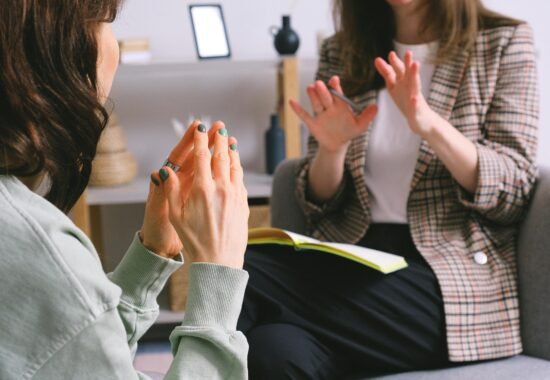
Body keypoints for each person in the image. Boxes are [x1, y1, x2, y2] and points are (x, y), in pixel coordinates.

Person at [237, 0, 539, 378]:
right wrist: (332, 148)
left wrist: (430, 125)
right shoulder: (344, 50)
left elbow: (515, 191)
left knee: (239, 267)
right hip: (350, 265)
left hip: (445, 284)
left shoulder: (503, 42)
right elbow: (320, 205)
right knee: (273, 352)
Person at [0, 1, 250, 379]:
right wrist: (219, 273)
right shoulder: (44, 252)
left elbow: (71, 355)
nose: (113, 43)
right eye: (105, 22)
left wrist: (152, 254)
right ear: (50, 48)